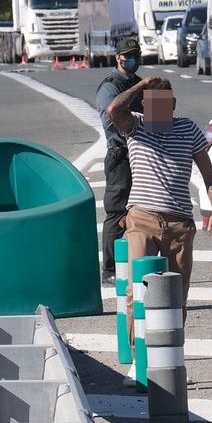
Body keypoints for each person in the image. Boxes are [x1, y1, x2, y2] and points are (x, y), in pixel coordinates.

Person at [107, 75, 212, 302]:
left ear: (173, 104)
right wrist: (141, 85)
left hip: (179, 223)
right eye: (153, 104)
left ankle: (174, 338)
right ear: (144, 105)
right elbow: (113, 109)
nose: (159, 110)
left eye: (164, 104)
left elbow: (209, 175)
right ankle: (135, 339)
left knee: (176, 295)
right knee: (137, 291)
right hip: (142, 218)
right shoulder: (136, 125)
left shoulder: (187, 128)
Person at [93, 40, 143, 283]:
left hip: (142, 154)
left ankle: (139, 262)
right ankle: (110, 270)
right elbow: (112, 119)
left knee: (143, 210)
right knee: (116, 211)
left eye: (136, 54)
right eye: (129, 55)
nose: (133, 58)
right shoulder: (110, 87)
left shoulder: (138, 83)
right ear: (118, 58)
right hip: (121, 154)